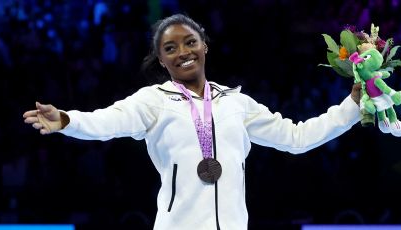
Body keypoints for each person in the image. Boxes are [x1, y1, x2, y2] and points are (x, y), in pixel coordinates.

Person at [23, 14, 361, 230]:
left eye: (190, 42)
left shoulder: (236, 102)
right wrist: (67, 120)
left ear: (204, 46)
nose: (183, 51)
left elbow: (297, 138)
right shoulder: (153, 100)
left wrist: (352, 105)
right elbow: (107, 122)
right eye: (170, 48)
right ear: (161, 59)